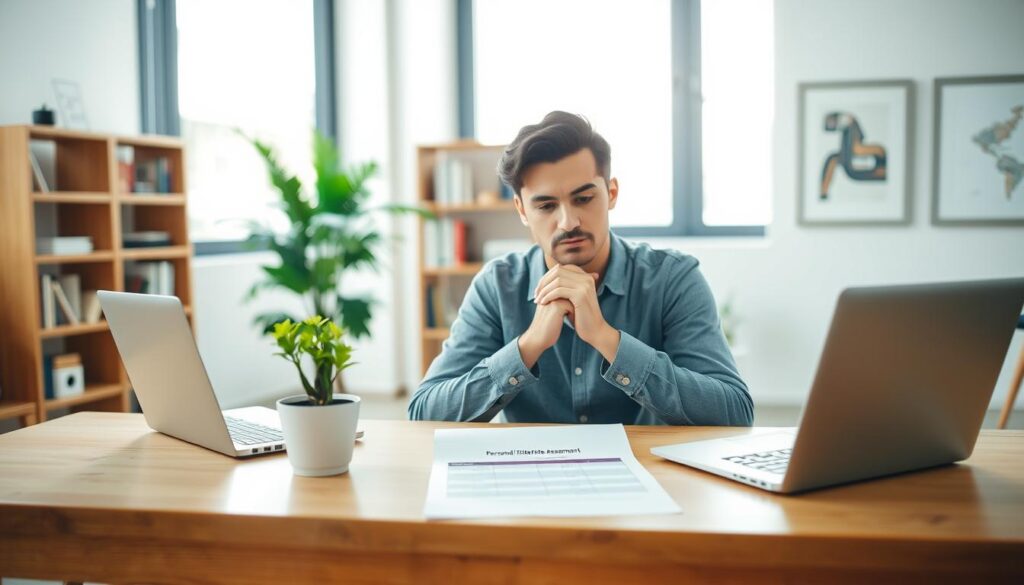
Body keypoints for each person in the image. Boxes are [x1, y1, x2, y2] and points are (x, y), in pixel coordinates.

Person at [408, 111, 752, 426]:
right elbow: (425, 413)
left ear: (611, 193)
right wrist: (527, 347)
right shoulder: (497, 286)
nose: (569, 222)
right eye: (545, 205)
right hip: (529, 479)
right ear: (522, 210)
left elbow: (734, 413)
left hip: (647, 477)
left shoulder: (673, 278)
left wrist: (607, 339)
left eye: (583, 199)